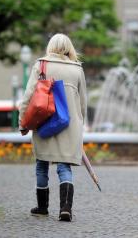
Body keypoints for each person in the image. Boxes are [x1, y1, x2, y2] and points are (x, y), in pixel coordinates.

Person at [18, 33, 87, 221]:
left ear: (50, 46)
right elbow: (82, 104)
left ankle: (42, 207)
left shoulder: (41, 65)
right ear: (69, 47)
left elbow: (28, 96)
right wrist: (80, 127)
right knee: (64, 166)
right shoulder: (77, 69)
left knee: (41, 165)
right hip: (69, 126)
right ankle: (66, 208)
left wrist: (22, 122)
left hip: (44, 123)